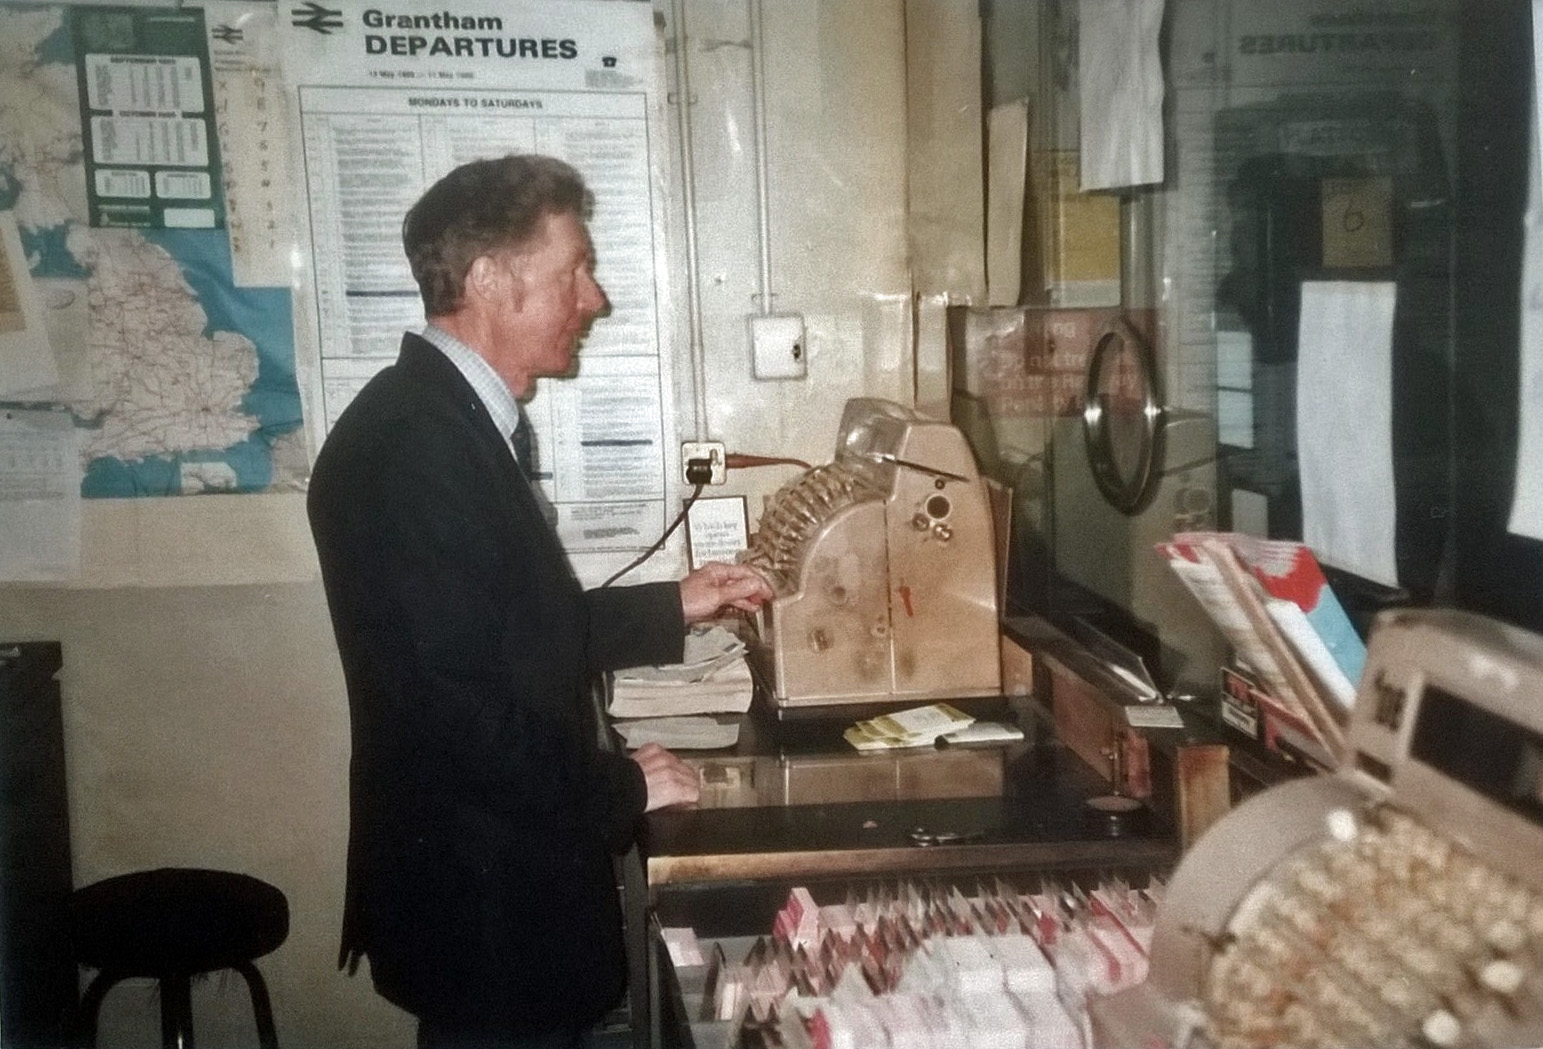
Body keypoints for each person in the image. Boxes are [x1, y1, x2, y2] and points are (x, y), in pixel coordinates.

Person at [307, 153, 772, 1049]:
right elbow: (459, 715)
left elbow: (503, 633)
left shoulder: (444, 418)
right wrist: (623, 783)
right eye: (574, 272)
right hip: (485, 905)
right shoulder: (417, 448)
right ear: (488, 280)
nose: (592, 298)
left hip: (489, 881)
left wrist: (676, 602)